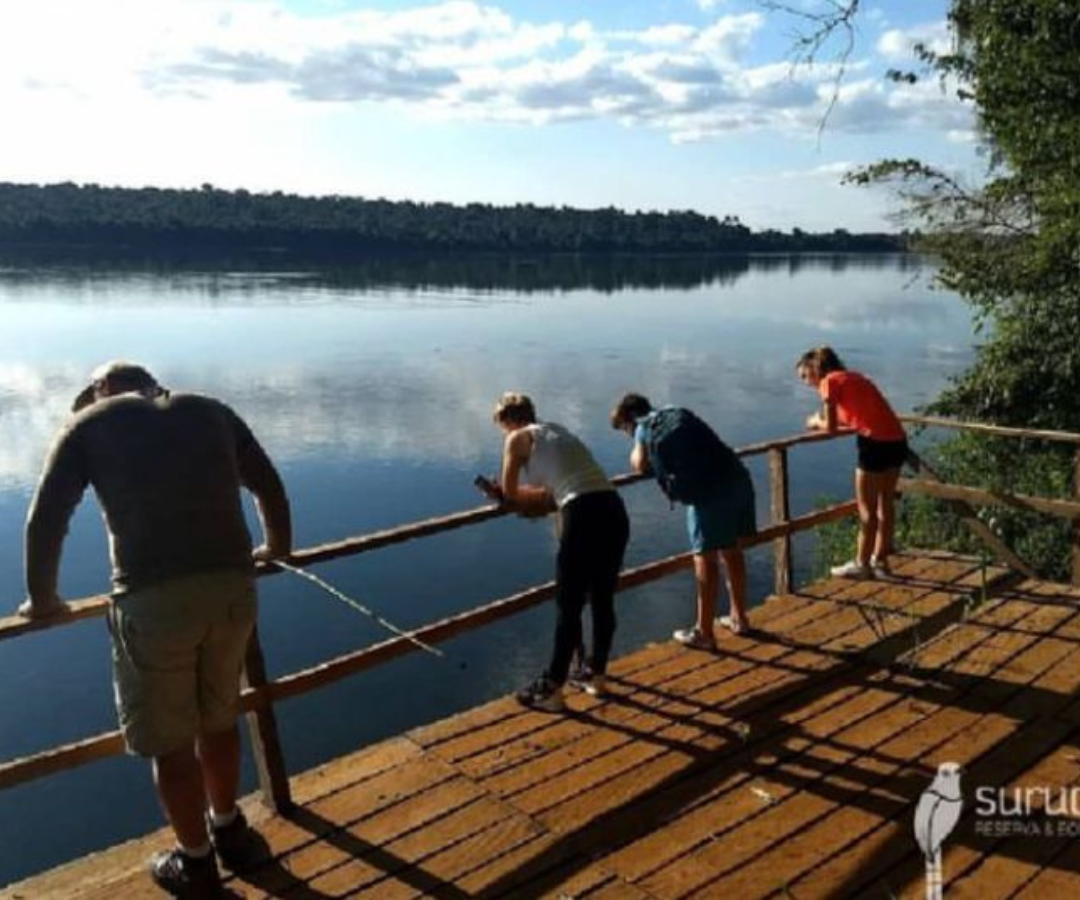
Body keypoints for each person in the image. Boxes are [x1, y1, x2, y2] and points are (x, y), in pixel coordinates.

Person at [19, 361, 292, 899]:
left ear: (99, 392)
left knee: (171, 744)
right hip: (232, 591)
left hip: (155, 602)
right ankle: (230, 828)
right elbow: (269, 487)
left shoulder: (88, 426)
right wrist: (277, 549)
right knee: (219, 721)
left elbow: (46, 518)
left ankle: (195, 864)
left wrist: (44, 599)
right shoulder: (212, 411)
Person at [489, 392, 629, 712]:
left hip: (582, 515)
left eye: (501, 426)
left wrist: (502, 495)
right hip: (612, 507)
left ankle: (552, 687)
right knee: (603, 596)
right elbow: (557, 489)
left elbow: (512, 494)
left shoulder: (516, 438)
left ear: (507, 421)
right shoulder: (558, 430)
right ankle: (597, 675)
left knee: (569, 603)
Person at [611, 393, 756, 651]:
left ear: (628, 419)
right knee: (732, 550)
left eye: (623, 429)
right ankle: (739, 617)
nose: (626, 434)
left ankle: (704, 632)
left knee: (705, 558)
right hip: (736, 475)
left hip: (710, 493)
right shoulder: (674, 410)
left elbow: (639, 464)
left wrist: (636, 445)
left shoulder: (643, 428)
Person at [796, 346, 908, 579]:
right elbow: (854, 417)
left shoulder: (829, 381)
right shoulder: (855, 378)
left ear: (817, 369)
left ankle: (862, 564)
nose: (807, 383)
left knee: (866, 509)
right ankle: (881, 562)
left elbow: (832, 426)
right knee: (885, 505)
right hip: (897, 440)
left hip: (874, 444)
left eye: (806, 376)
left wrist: (816, 421)